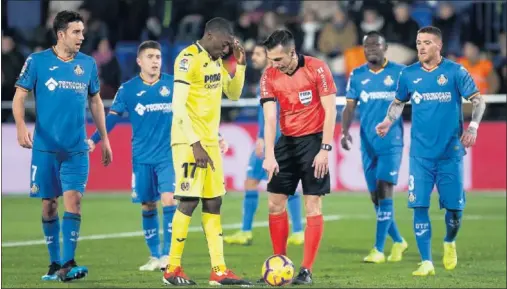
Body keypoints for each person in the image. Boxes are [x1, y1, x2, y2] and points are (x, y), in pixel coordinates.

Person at [376, 26, 486, 276]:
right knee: (419, 205)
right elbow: (397, 103)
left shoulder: (455, 72)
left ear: (439, 46)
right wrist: (387, 120)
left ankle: (449, 241)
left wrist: (474, 127)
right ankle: (426, 261)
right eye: (418, 42)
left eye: (426, 42)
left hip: (450, 154)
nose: (421, 47)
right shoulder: (408, 74)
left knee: (455, 212)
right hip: (420, 156)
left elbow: (479, 100)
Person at [12, 10, 112, 282]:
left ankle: (68, 262)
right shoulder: (37, 61)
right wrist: (21, 126)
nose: (82, 36)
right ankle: (55, 263)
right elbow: (20, 95)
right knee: (49, 206)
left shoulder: (88, 64)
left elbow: (96, 102)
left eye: (82, 31)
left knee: (74, 202)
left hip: (76, 149)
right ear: (61, 34)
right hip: (45, 148)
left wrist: (104, 138)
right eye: (76, 32)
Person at [162, 17, 251, 286]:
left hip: (210, 143)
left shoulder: (216, 62)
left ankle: (219, 271)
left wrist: (241, 65)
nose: (226, 49)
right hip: (189, 142)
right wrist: (194, 143)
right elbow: (178, 107)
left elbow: (234, 94)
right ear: (210, 35)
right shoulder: (187, 59)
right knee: (188, 201)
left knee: (214, 202)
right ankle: (172, 269)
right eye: (225, 44)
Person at [88, 40, 178, 272]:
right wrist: (93, 140)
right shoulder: (128, 90)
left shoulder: (174, 85)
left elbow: (195, 111)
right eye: (150, 57)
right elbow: (111, 119)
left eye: (158, 57)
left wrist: (215, 135)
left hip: (168, 156)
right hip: (141, 158)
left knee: (169, 199)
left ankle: (169, 255)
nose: (155, 61)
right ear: (139, 61)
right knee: (147, 205)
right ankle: (155, 255)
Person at [261, 29, 337, 285]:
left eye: (278, 60)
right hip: (287, 143)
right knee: (274, 203)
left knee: (312, 205)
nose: (274, 65)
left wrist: (325, 149)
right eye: (271, 59)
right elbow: (270, 119)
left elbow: (330, 110)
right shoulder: (269, 75)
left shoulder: (317, 69)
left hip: (314, 141)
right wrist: (270, 154)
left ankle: (306, 270)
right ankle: (278, 264)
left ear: (292, 53)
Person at [224, 44, 304, 247]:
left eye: (258, 54)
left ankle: (297, 231)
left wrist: (263, 137)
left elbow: (276, 114)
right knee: (252, 181)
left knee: (286, 185)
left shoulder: (276, 78)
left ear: (269, 58)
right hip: (268, 139)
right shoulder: (266, 78)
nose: (254, 57)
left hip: (276, 140)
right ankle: (247, 231)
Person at [341, 31, 408, 264]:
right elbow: (349, 107)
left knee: (384, 191)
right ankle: (398, 240)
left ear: (385, 47)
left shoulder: (400, 73)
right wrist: (344, 131)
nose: (371, 49)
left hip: (391, 143)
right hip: (367, 144)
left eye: (375, 45)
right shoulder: (357, 75)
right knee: (375, 198)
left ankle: (378, 250)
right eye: (367, 45)